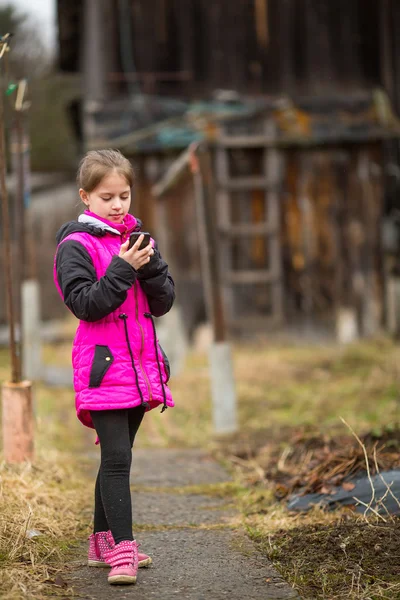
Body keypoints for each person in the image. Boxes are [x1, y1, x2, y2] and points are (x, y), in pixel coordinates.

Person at [53, 149, 175, 586]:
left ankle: (100, 541)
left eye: (124, 195)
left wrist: (152, 266)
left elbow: (162, 304)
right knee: (118, 459)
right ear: (86, 197)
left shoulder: (139, 240)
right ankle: (123, 552)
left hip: (141, 368)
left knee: (115, 458)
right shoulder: (75, 246)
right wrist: (124, 268)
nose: (119, 205)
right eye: (108, 197)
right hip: (103, 369)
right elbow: (86, 305)